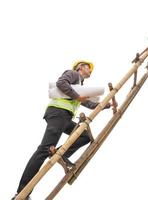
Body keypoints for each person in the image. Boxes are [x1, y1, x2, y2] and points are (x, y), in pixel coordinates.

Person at [12, 61, 110, 199]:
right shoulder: (73, 74)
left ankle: (60, 153)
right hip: (59, 113)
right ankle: (21, 192)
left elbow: (87, 103)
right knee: (44, 149)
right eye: (89, 68)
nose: (91, 71)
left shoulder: (79, 87)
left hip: (64, 117)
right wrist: (77, 96)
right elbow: (61, 83)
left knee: (84, 136)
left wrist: (105, 105)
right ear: (80, 67)